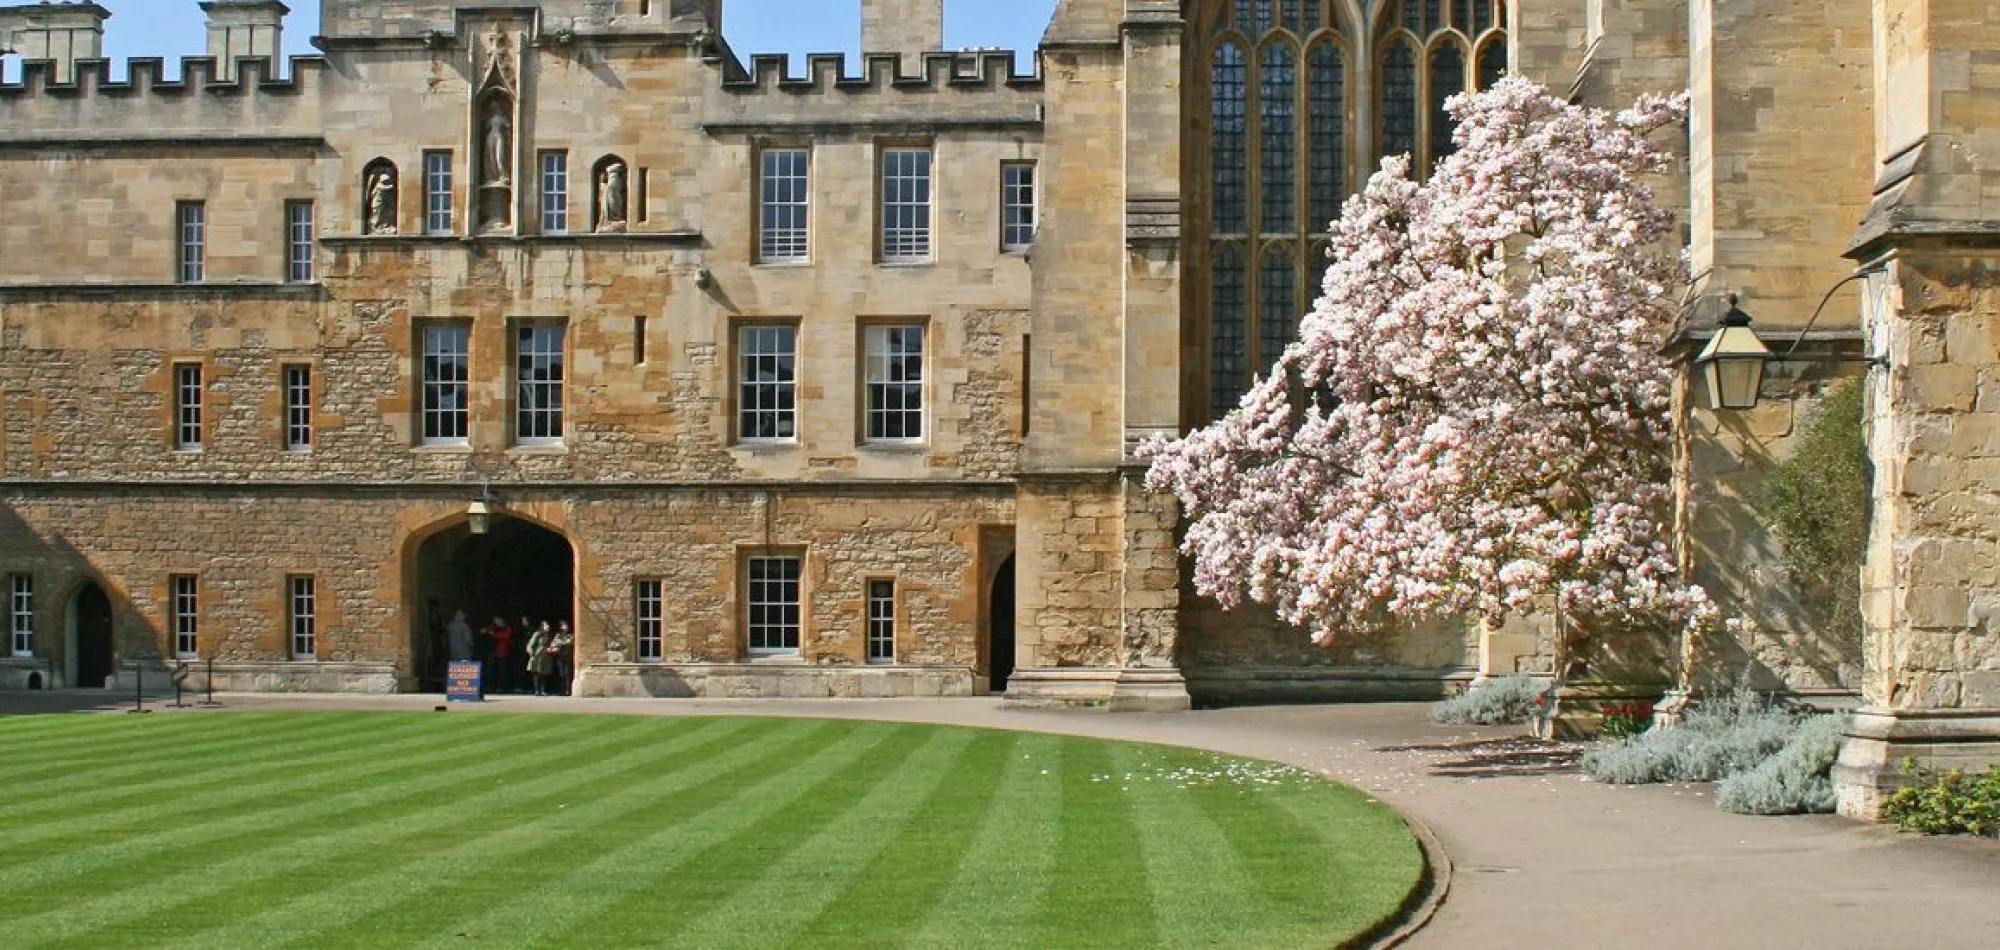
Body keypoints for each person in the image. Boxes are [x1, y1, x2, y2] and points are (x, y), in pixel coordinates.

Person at [525, 621, 557, 696]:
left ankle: (543, 690)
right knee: (536, 673)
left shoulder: (551, 635)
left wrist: (552, 648)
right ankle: (537, 690)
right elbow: (531, 644)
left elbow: (554, 644)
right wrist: (531, 652)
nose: (547, 627)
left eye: (548, 626)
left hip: (546, 656)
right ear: (542, 627)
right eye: (546, 626)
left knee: (544, 674)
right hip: (537, 656)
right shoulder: (537, 634)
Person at [483, 616, 514, 693]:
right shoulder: (492, 627)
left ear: (502, 620)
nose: (496, 621)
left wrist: (493, 634)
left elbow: (505, 636)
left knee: (502, 671)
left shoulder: (507, 628)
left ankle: (501, 687)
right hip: (491, 652)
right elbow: (484, 631)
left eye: (497, 620)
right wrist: (485, 631)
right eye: (494, 620)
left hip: (502, 653)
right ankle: (490, 687)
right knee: (490, 670)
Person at [552, 621, 575, 696]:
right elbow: (554, 643)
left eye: (565, 625)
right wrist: (560, 642)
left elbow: (569, 643)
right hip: (560, 656)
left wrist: (560, 642)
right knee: (561, 674)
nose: (564, 627)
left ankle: (568, 691)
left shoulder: (570, 635)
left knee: (567, 674)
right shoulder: (558, 635)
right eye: (562, 625)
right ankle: (562, 691)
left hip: (567, 656)